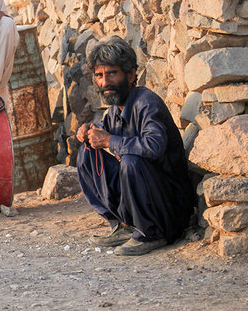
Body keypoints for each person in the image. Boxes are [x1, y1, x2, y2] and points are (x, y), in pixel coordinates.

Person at [76, 36, 195, 256]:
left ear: (130, 74)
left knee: (131, 162)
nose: (105, 82)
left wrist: (110, 141)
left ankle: (151, 233)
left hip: (169, 209)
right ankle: (123, 225)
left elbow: (154, 146)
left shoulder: (146, 102)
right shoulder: (114, 111)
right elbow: (102, 131)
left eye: (112, 73)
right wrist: (87, 132)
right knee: (87, 153)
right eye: (100, 76)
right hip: (148, 203)